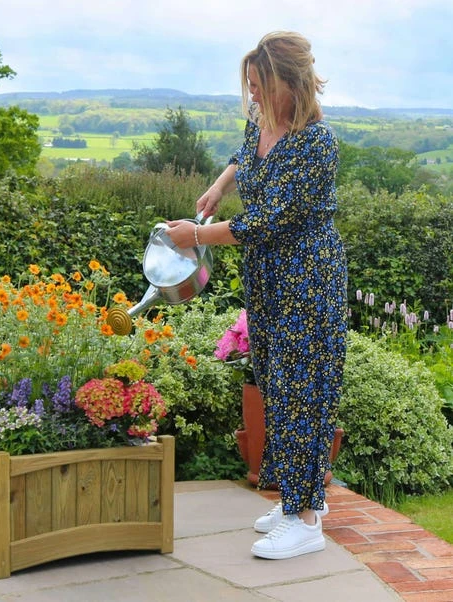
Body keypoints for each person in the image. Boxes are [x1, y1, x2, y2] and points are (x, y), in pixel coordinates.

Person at [165, 31, 348, 560]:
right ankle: (296, 500)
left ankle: (306, 520)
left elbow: (265, 222)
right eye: (249, 84)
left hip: (307, 278)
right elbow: (244, 155)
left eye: (261, 85)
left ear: (291, 83)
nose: (253, 94)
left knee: (301, 393)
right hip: (268, 277)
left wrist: (197, 235)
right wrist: (220, 185)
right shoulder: (262, 120)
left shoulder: (317, 144)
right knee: (274, 384)